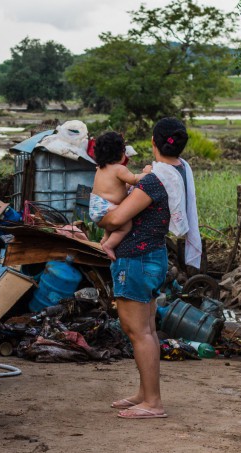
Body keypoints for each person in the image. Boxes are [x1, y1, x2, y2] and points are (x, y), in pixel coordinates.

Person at [98, 117, 202, 420]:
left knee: (137, 331)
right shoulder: (179, 170)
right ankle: (145, 393)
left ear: (154, 142)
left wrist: (100, 217)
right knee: (147, 330)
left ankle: (153, 402)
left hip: (137, 260)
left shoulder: (156, 179)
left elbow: (117, 220)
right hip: (153, 256)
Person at [90, 131, 148, 260]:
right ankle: (109, 245)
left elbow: (118, 187)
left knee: (115, 218)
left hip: (96, 207)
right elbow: (134, 179)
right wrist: (147, 173)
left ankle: (105, 238)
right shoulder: (119, 169)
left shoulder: (101, 168)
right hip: (106, 207)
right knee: (126, 225)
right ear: (121, 153)